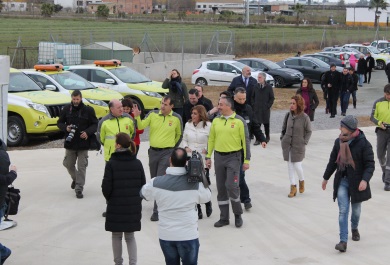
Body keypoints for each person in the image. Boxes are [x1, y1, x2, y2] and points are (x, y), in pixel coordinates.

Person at [140, 148, 211, 265]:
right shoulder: (195, 185)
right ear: (186, 162)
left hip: (166, 235)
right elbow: (207, 196)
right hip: (188, 235)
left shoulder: (156, 182)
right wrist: (201, 174)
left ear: (170, 160)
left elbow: (143, 193)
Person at [322, 115, 375, 252]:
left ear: (350, 129)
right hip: (342, 180)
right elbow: (333, 161)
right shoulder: (338, 142)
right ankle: (343, 241)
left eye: (342, 126)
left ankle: (354, 227)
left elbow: (370, 164)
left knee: (356, 211)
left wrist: (365, 180)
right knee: (343, 210)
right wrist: (326, 178)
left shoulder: (363, 143)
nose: (340, 128)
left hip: (357, 182)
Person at [133, 96, 183, 221]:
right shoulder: (153, 115)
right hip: (153, 152)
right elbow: (141, 125)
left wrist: (171, 148)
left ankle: (156, 210)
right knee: (154, 179)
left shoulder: (176, 118)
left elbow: (179, 135)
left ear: (171, 106)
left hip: (166, 153)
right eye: (162, 103)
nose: (162, 106)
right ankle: (161, 202)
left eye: (165, 104)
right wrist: (138, 116)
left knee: (160, 179)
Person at [206, 96, 250, 228]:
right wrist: (208, 156)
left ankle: (238, 215)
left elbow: (245, 142)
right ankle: (224, 218)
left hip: (233, 158)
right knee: (221, 189)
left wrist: (246, 160)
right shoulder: (216, 121)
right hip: (219, 157)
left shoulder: (239, 121)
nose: (218, 107)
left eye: (220, 105)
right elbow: (211, 139)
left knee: (232, 186)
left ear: (228, 106)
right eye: (218, 104)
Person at [102, 133, 146, 265]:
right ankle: (133, 263)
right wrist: (136, 200)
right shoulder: (137, 163)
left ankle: (118, 262)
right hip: (132, 206)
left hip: (115, 204)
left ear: (118, 145)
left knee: (116, 236)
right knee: (130, 237)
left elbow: (106, 187)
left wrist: (110, 199)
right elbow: (143, 185)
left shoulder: (111, 164)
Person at [57, 90, 98, 199]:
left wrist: (87, 132)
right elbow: (59, 123)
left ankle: (79, 188)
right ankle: (76, 179)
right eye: (74, 99)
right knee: (68, 164)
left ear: (81, 98)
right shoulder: (66, 109)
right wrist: (66, 128)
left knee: (81, 166)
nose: (75, 101)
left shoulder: (88, 110)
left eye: (77, 99)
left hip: (83, 143)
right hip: (70, 143)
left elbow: (95, 124)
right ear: (71, 98)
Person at [233, 87, 266, 210]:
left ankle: (243, 197)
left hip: (243, 148)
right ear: (234, 97)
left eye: (244, 99)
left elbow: (255, 125)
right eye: (240, 99)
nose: (242, 101)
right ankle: (242, 199)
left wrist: (262, 138)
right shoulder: (230, 109)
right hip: (231, 148)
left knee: (241, 175)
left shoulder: (248, 109)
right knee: (237, 176)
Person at [181, 105, 213, 219]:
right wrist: (185, 147)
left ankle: (208, 202)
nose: (192, 115)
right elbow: (184, 139)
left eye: (195, 113)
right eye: (192, 113)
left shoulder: (208, 126)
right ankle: (198, 208)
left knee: (204, 182)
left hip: (202, 158)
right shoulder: (187, 124)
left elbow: (212, 140)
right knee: (193, 183)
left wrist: (208, 150)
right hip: (190, 157)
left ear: (201, 114)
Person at [281, 95, 312, 198]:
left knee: (297, 165)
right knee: (290, 166)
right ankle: (293, 188)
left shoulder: (305, 117)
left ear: (299, 105)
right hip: (287, 145)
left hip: (299, 146)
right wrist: (283, 138)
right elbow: (283, 128)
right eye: (291, 103)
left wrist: (304, 142)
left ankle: (301, 181)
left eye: (294, 103)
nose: (291, 105)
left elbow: (309, 131)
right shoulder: (287, 115)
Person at [370, 84, 390, 190]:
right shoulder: (378, 102)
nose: (389, 97)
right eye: (387, 95)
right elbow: (372, 117)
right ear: (384, 93)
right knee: (380, 154)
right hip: (381, 131)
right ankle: (385, 172)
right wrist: (379, 123)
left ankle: (388, 181)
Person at [251, 72, 275, 144]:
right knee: (257, 124)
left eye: (260, 77)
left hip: (265, 109)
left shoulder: (269, 87)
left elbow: (272, 98)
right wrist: (254, 105)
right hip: (257, 109)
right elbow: (252, 97)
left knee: (266, 123)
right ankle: (258, 139)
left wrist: (268, 106)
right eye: (258, 77)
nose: (258, 79)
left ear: (264, 78)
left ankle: (267, 136)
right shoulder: (255, 86)